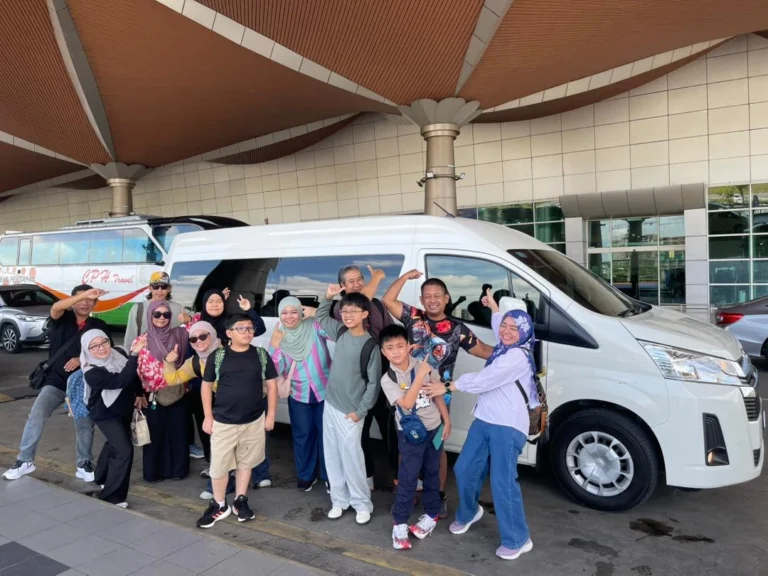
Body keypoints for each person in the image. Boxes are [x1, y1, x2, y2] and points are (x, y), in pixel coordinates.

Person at [425, 289, 536, 561]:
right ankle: (469, 512)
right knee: (464, 469)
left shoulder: (516, 357)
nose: (507, 331)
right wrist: (493, 306)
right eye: (505, 327)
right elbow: (500, 322)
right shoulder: (505, 342)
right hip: (484, 419)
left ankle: (518, 538)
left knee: (502, 482)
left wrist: (447, 385)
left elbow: (484, 380)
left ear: (524, 332)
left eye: (513, 328)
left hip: (508, 426)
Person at [382, 270, 493, 518]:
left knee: (437, 449)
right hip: (408, 394)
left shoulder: (457, 328)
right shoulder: (414, 317)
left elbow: (483, 350)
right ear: (421, 300)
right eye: (427, 296)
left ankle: (437, 495)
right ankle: (407, 494)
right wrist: (405, 277)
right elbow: (388, 300)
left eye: (437, 296)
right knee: (407, 446)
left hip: (438, 396)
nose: (432, 300)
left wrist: (514, 354)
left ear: (446, 298)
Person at [2, 285, 110, 482]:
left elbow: (106, 354)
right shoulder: (62, 319)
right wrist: (85, 294)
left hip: (82, 384)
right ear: (73, 301)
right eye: (80, 299)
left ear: (95, 303)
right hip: (56, 381)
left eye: (90, 300)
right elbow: (56, 307)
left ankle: (83, 464)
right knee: (37, 414)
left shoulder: (99, 325)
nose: (85, 303)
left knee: (84, 424)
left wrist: (82, 359)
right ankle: (24, 461)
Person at [197, 314, 278, 529]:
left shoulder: (261, 355)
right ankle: (219, 504)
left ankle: (240, 500)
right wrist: (208, 416)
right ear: (229, 333)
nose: (248, 332)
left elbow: (271, 385)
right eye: (241, 328)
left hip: (253, 420)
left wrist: (270, 415)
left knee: (246, 463)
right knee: (219, 466)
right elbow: (206, 386)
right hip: (223, 421)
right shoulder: (219, 356)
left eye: (250, 328)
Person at [379, 325, 450, 550]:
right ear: (384, 352)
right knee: (408, 477)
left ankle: (431, 515)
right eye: (390, 348)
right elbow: (407, 404)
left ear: (409, 346)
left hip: (434, 428)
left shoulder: (425, 366)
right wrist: (419, 376)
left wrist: (446, 421)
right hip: (410, 434)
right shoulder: (388, 379)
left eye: (400, 346)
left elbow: (437, 394)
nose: (396, 351)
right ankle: (399, 522)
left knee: (431, 472)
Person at [315, 285, 381, 525]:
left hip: (351, 412)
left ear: (365, 314)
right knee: (332, 455)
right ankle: (339, 501)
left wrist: (360, 413)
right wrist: (328, 297)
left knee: (353, 457)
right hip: (330, 405)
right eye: (344, 311)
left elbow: (374, 384)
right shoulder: (340, 332)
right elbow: (321, 317)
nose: (348, 315)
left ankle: (362, 503)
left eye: (354, 311)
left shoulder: (370, 345)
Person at [333, 265, 398, 490]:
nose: (357, 284)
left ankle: (400, 475)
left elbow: (390, 334)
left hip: (383, 377)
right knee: (360, 430)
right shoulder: (340, 309)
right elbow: (359, 301)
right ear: (342, 286)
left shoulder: (378, 305)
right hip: (357, 380)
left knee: (390, 429)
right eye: (351, 281)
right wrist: (378, 277)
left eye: (360, 279)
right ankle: (366, 477)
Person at [268, 297, 331, 492]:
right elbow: (274, 368)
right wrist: (276, 346)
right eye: (284, 312)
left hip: (325, 389)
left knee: (327, 436)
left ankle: (330, 476)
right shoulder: (279, 333)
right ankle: (306, 475)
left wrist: (319, 313)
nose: (289, 316)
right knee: (302, 435)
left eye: (293, 311)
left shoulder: (314, 325)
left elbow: (336, 334)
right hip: (298, 392)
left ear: (300, 311)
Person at [80, 329, 144, 508]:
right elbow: (120, 381)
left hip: (123, 409)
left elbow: (132, 375)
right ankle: (112, 496)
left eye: (104, 342)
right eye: (94, 346)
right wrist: (134, 355)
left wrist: (139, 393)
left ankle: (100, 476)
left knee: (114, 443)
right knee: (124, 450)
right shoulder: (91, 371)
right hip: (104, 413)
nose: (101, 348)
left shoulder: (118, 354)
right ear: (87, 349)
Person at [134, 300, 190, 482]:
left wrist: (188, 319)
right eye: (157, 314)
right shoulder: (142, 340)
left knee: (177, 432)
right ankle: (154, 472)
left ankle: (178, 471)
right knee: (154, 435)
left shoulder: (179, 335)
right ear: (150, 316)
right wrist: (138, 393)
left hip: (176, 392)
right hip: (152, 395)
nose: (162, 318)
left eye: (166, 314)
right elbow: (135, 369)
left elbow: (200, 330)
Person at [163, 321, 220, 480]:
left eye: (202, 336)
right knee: (210, 436)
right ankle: (215, 469)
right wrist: (168, 362)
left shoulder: (228, 353)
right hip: (209, 401)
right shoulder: (195, 361)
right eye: (193, 339)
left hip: (233, 405)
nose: (198, 341)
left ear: (212, 335)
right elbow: (173, 379)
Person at [123, 272, 182, 350]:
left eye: (164, 287)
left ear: (169, 289)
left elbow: (197, 320)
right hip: (144, 358)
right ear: (150, 288)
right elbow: (130, 337)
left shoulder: (178, 308)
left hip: (171, 358)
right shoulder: (138, 308)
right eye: (156, 286)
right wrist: (130, 358)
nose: (160, 290)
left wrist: (189, 319)